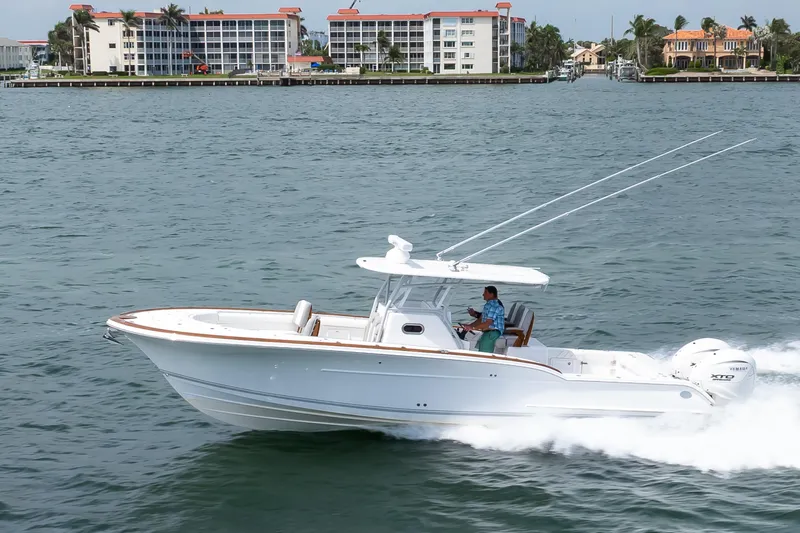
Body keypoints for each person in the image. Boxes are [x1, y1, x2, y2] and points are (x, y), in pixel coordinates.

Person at [463, 286, 504, 353]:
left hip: (492, 332)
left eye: (485, 292)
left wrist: (472, 327)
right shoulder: (488, 305)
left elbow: (488, 323)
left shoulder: (494, 306)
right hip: (487, 331)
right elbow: (480, 320)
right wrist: (469, 326)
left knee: (484, 354)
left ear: (491, 294)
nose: (483, 294)